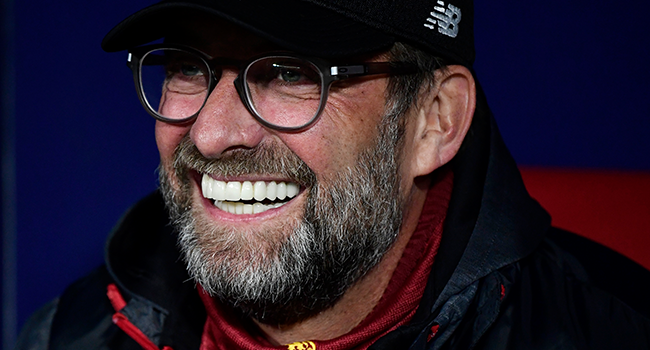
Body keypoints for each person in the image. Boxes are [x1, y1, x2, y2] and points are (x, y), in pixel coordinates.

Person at [16, 0, 650, 349]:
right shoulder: (68, 334)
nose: (209, 133)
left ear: (434, 120)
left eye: (292, 73)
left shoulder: (612, 330)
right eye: (185, 66)